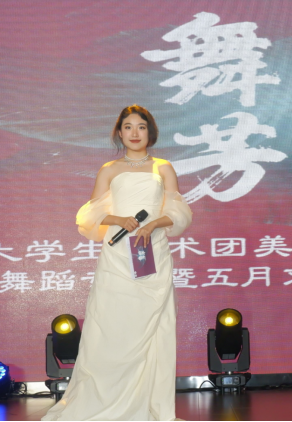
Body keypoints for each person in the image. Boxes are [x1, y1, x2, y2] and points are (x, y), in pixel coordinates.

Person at [43, 105, 192, 421]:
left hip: (152, 251)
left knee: (154, 328)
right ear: (119, 133)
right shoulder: (109, 169)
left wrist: (154, 224)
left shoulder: (163, 167)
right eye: (128, 127)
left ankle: (149, 405)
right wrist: (118, 219)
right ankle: (104, 402)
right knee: (112, 327)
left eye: (141, 127)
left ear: (151, 132)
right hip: (118, 254)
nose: (135, 133)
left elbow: (179, 212)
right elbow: (89, 215)